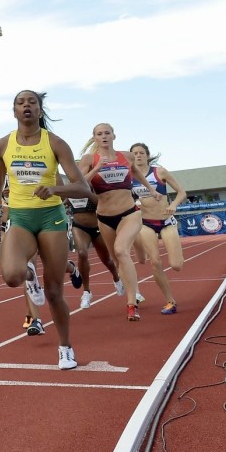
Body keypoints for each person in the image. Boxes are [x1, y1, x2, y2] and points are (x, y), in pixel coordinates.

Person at [0, 91, 90, 370]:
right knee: (11, 276)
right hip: (19, 217)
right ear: (14, 111)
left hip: (51, 218)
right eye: (21, 103)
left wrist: (55, 188)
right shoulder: (2, 145)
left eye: (32, 102)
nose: (26, 106)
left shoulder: (55, 143)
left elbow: (83, 188)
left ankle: (65, 348)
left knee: (54, 292)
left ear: (40, 111)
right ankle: (29, 274)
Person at [78, 124, 160, 321]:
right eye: (100, 134)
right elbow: (81, 183)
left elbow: (137, 172)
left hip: (129, 212)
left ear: (114, 135)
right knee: (117, 260)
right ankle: (134, 289)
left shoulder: (126, 156)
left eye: (107, 133)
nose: (104, 136)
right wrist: (97, 168)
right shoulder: (89, 159)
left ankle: (132, 304)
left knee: (122, 250)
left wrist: (151, 188)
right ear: (94, 138)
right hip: (105, 217)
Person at [130, 142, 186, 315]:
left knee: (176, 265)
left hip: (166, 221)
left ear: (147, 155)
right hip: (145, 223)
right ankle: (170, 301)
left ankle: (176, 258)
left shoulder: (159, 172)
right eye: (134, 154)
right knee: (155, 262)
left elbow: (182, 192)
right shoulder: (129, 177)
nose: (138, 156)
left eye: (141, 153)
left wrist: (174, 205)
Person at [66, 190, 123, 310]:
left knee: (107, 260)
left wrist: (87, 193)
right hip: (79, 227)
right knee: (82, 253)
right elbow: (63, 200)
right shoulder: (68, 187)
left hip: (97, 227)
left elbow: (101, 201)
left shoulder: (90, 186)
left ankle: (116, 278)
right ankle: (86, 291)